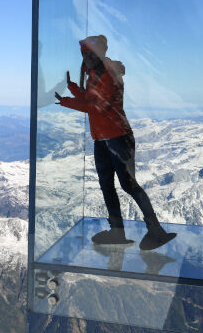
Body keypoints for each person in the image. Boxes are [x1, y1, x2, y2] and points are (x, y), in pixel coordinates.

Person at [54, 35, 176, 251]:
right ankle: (117, 231)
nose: (88, 57)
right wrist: (73, 89)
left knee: (128, 185)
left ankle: (155, 230)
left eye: (92, 53)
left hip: (118, 138)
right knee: (106, 185)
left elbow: (98, 107)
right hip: (102, 138)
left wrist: (67, 101)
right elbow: (92, 100)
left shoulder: (109, 75)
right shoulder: (95, 75)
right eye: (85, 54)